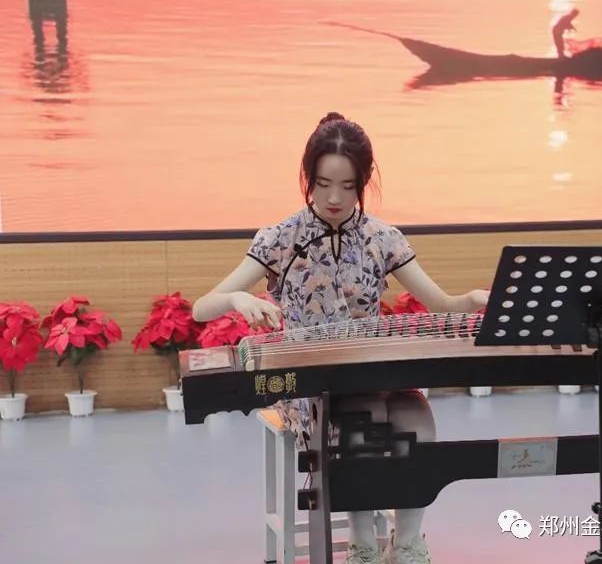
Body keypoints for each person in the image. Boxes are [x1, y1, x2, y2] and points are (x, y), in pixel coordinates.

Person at [192, 112, 489, 564]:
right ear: (308, 178)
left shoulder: (381, 238)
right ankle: (362, 544)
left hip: (371, 372)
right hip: (310, 385)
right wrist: (237, 298)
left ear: (363, 183)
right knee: (360, 416)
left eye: (348, 186)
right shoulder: (281, 238)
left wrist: (472, 299)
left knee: (417, 416)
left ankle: (407, 543)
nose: (334, 198)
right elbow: (202, 307)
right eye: (323, 183)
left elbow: (442, 303)